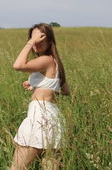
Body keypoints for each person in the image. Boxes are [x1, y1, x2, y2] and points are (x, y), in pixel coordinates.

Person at [10, 23, 70, 170]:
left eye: (39, 38)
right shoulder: (55, 62)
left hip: (39, 118)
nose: (36, 41)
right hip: (53, 118)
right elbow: (65, 91)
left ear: (49, 41)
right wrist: (38, 87)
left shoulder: (46, 60)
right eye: (33, 37)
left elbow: (17, 65)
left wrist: (30, 43)